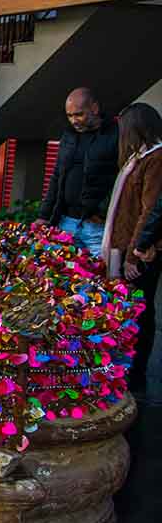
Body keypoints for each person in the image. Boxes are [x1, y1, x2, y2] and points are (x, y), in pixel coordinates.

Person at [100, 103, 162, 391]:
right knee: (125, 308)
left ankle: (135, 374)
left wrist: (134, 254)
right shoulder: (139, 158)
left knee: (138, 311)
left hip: (139, 252)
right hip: (126, 247)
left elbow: (149, 212)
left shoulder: (156, 159)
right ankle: (125, 368)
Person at [35, 88, 120, 250]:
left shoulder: (115, 135)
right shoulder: (69, 136)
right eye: (70, 116)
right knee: (60, 272)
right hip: (66, 222)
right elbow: (57, 175)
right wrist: (44, 215)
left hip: (96, 227)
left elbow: (122, 179)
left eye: (79, 114)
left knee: (97, 273)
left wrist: (102, 212)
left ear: (94, 108)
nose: (74, 121)